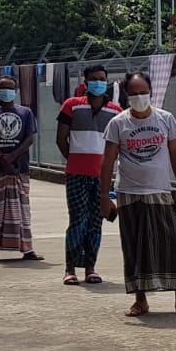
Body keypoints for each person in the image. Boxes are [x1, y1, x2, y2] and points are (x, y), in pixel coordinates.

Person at [99, 73, 176, 317]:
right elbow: (107, 162)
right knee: (134, 246)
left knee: (170, 245)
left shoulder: (165, 119)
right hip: (129, 193)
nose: (138, 97)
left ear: (151, 93)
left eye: (142, 92)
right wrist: (105, 196)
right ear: (126, 95)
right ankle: (140, 299)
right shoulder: (118, 123)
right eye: (133, 93)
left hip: (160, 191)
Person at [57, 65, 123, 286]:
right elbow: (61, 139)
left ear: (107, 81)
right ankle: (70, 268)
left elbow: (118, 145)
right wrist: (75, 159)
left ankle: (90, 267)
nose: (98, 82)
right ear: (85, 83)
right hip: (76, 173)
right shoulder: (71, 105)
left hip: (101, 177)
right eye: (93, 79)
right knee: (77, 220)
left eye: (102, 79)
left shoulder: (116, 111)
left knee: (96, 221)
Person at [0, 76, 43, 263]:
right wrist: (1, 158)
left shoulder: (26, 112)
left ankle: (27, 249)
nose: (7, 91)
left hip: (19, 169)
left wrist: (13, 157)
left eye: (11, 88)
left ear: (16, 91)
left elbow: (30, 137)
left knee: (22, 210)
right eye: (3, 88)